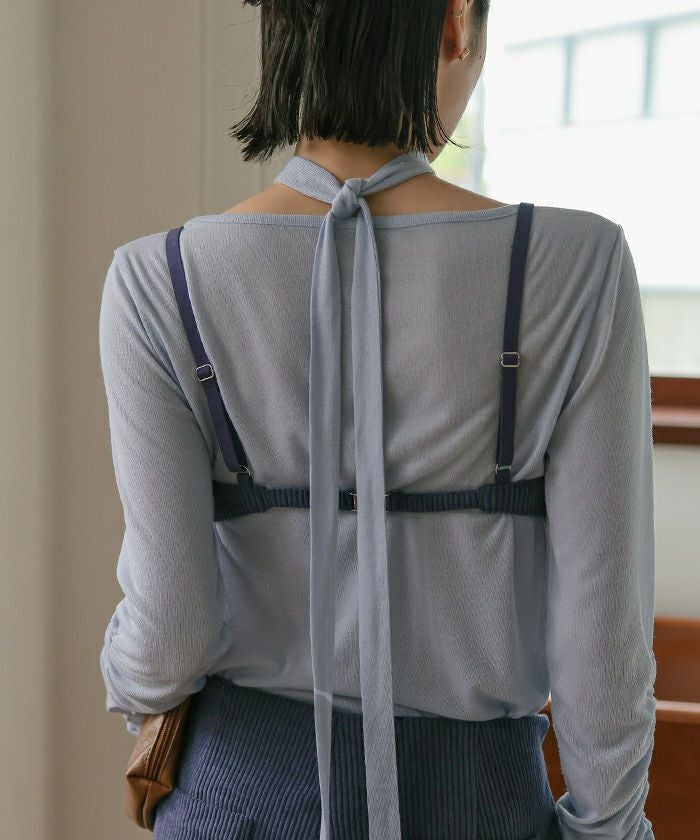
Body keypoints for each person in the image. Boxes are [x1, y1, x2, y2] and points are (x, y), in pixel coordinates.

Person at [97, 0, 657, 838]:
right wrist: (610, 827)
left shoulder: (155, 281)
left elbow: (170, 631)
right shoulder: (578, 267)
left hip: (236, 797)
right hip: (479, 804)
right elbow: (602, 645)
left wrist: (132, 692)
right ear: (456, 22)